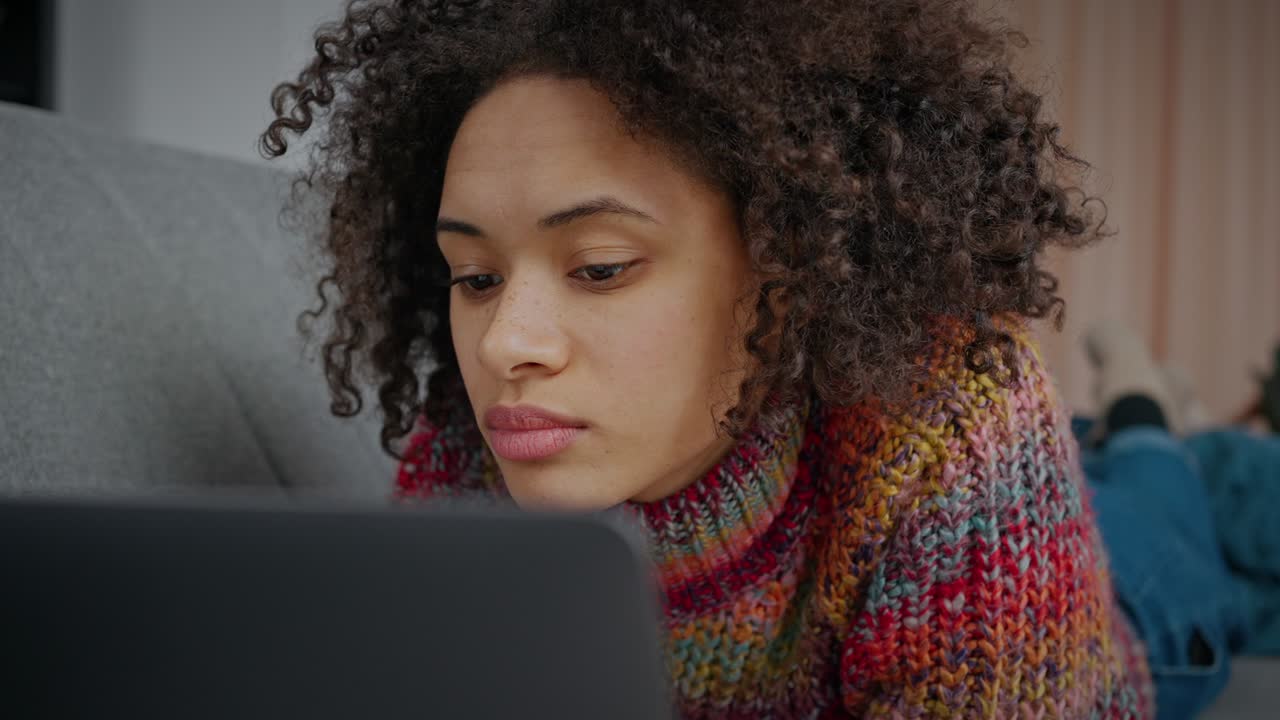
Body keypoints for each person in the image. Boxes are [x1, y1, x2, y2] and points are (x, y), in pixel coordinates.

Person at [261, 1, 1154, 716]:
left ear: (784, 267)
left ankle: (1144, 406)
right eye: (476, 277)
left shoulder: (949, 430)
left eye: (599, 267)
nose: (503, 344)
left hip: (1109, 614)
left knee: (1168, 510)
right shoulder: (469, 449)